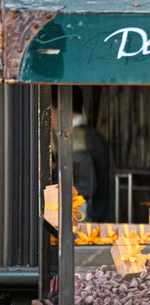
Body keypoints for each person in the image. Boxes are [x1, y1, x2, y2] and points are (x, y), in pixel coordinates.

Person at [51, 86, 114, 222]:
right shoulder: (95, 137)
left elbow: (80, 193)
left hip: (85, 232)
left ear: (56, 108)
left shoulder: (76, 143)